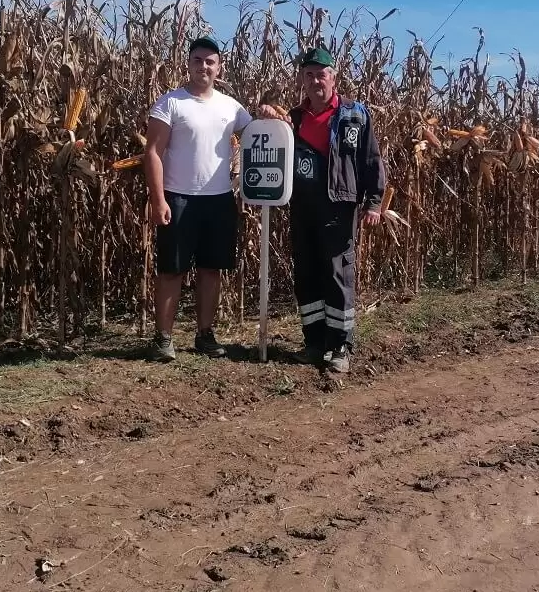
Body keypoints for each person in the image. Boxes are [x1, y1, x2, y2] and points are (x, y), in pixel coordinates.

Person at [263, 46, 386, 375]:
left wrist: (374, 202)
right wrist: (267, 118)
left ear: (333, 77)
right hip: (303, 206)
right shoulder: (294, 119)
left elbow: (371, 160)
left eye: (322, 74)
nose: (316, 80)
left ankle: (340, 345)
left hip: (338, 205)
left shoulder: (354, 115)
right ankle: (315, 342)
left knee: (337, 274)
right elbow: (271, 142)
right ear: (303, 79)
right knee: (307, 275)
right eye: (310, 74)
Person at [144, 35, 252, 361]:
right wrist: (158, 199)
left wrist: (273, 119)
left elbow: (258, 135)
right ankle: (163, 338)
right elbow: (152, 152)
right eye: (197, 60)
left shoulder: (231, 107)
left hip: (218, 201)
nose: (203, 66)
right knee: (171, 271)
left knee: (210, 270)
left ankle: (205, 335)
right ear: (188, 63)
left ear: (219, 67)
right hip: (178, 199)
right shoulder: (170, 103)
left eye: (210, 61)